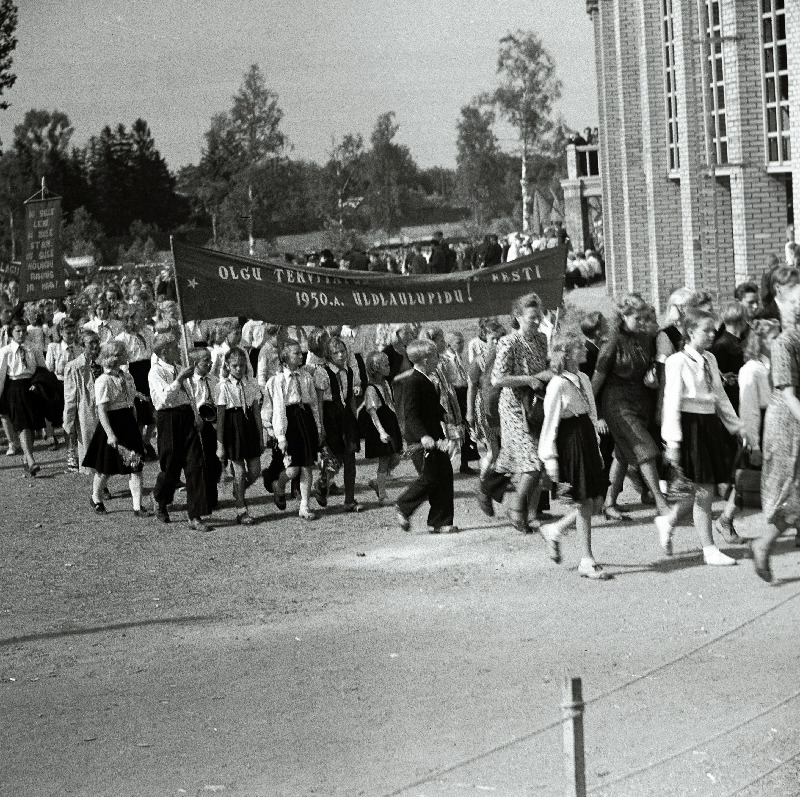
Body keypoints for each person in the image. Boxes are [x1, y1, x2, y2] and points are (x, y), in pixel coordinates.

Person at [661, 308, 747, 565]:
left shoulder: (710, 358)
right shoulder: (677, 361)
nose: (712, 335)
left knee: (701, 489)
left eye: (713, 330)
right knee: (704, 490)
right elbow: (671, 402)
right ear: (690, 331)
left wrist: (737, 427)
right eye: (706, 330)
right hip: (691, 426)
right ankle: (709, 550)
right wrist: (672, 442)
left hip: (710, 425)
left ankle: (668, 520)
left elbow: (720, 396)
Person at [592, 294, 675, 529]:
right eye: (637, 318)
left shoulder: (645, 338)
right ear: (623, 316)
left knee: (622, 453)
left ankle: (609, 503)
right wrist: (594, 412)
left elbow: (654, 366)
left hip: (640, 401)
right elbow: (596, 380)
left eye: (644, 317)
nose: (642, 322)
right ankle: (660, 502)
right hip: (616, 402)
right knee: (645, 449)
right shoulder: (611, 340)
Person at [538, 327, 611, 579]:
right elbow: (550, 423)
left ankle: (555, 529)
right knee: (584, 502)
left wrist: (597, 447)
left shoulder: (584, 378)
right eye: (579, 347)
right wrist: (550, 460)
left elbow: (591, 413)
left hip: (587, 438)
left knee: (597, 501)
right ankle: (587, 560)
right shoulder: (558, 384)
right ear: (567, 353)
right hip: (571, 441)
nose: (584, 349)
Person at [751, 276, 800, 582]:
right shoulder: (784, 343)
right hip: (787, 424)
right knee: (791, 493)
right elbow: (789, 395)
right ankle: (763, 543)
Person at [715, 319, 780, 544]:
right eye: (773, 338)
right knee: (747, 479)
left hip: (775, 425)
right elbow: (749, 410)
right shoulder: (751, 370)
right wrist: (754, 445)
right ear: (760, 341)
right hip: (760, 429)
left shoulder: (773, 365)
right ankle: (726, 519)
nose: (778, 342)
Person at [490, 292, 550, 533]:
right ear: (518, 316)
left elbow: (545, 367)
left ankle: (532, 514)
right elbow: (498, 379)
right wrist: (529, 379)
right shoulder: (509, 342)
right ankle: (516, 508)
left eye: (539, 317)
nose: (536, 321)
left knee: (540, 459)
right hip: (514, 407)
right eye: (531, 317)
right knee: (531, 463)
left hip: (536, 406)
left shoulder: (541, 339)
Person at [149, 332, 212, 531]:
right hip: (168, 418)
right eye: (174, 347)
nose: (178, 350)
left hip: (186, 416)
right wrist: (179, 378)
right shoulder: (156, 372)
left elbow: (189, 394)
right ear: (164, 351)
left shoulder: (179, 367)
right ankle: (160, 497)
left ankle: (195, 514)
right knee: (170, 466)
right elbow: (164, 398)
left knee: (195, 464)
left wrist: (196, 415)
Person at [395, 339, 457, 534]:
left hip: (435, 436)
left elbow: (430, 405)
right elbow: (411, 414)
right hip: (421, 441)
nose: (439, 360)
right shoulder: (413, 382)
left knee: (444, 475)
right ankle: (403, 505)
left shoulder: (427, 379)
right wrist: (422, 436)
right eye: (436, 357)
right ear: (426, 360)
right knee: (430, 478)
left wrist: (443, 414)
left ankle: (440, 521)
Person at [81, 340, 147, 516]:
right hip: (112, 423)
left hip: (128, 422)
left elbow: (129, 396)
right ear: (114, 357)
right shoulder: (103, 380)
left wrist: (138, 397)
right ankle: (96, 498)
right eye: (123, 353)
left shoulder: (127, 376)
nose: (127, 355)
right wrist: (110, 434)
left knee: (136, 465)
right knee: (105, 468)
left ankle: (137, 506)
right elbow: (102, 410)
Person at [262, 339, 322, 521]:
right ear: (285, 357)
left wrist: (318, 427)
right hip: (288, 422)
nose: (301, 355)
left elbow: (313, 403)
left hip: (305, 420)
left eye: (300, 352)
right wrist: (278, 435)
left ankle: (305, 505)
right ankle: (279, 486)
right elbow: (275, 409)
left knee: (307, 465)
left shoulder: (306, 377)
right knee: (293, 469)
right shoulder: (277, 381)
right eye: (296, 353)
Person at [314, 335, 362, 512]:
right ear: (329, 355)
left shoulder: (349, 371)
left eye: (343, 351)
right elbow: (319, 402)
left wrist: (354, 419)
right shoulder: (323, 373)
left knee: (350, 458)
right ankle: (322, 484)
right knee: (334, 460)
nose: (341, 355)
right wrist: (320, 426)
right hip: (330, 417)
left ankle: (350, 500)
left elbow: (350, 398)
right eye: (336, 353)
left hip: (346, 418)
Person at [216, 347, 263, 526]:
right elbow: (221, 418)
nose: (238, 369)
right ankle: (241, 509)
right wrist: (220, 444)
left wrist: (261, 437)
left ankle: (239, 490)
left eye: (242, 365)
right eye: (235, 365)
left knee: (255, 471)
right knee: (240, 471)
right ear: (227, 366)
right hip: (233, 428)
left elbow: (256, 412)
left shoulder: (252, 383)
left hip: (249, 425)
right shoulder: (223, 386)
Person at [0, 318, 47, 476]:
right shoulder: (5, 351)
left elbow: (42, 369)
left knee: (32, 426)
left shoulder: (33, 348)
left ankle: (27, 459)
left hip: (32, 387)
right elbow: (0, 377)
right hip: (15, 388)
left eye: (23, 331)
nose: (21, 334)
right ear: (11, 333)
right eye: (17, 331)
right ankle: (31, 459)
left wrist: (39, 384)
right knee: (23, 424)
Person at [359, 350, 403, 506]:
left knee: (396, 457)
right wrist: (381, 431)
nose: (389, 367)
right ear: (376, 368)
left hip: (391, 424)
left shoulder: (386, 383)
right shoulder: (371, 389)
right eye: (385, 365)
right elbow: (372, 412)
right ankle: (382, 496)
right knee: (384, 460)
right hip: (381, 426)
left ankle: (376, 481)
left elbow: (391, 404)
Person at [116, 306, 156, 458]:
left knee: (153, 412)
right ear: (130, 319)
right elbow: (123, 362)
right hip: (134, 374)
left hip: (148, 371)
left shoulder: (147, 332)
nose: (143, 320)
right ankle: (138, 445)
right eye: (139, 317)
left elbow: (153, 352)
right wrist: (127, 380)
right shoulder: (122, 339)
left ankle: (146, 441)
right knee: (139, 414)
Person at [187, 347, 221, 514]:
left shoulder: (214, 380)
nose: (210, 363)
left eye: (210, 360)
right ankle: (206, 497)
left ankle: (213, 494)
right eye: (205, 361)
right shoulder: (190, 383)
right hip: (199, 423)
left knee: (215, 460)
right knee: (203, 461)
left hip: (213, 422)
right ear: (195, 363)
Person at [62, 331, 101, 474]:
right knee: (90, 447)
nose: (95, 345)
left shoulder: (104, 362)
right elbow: (70, 397)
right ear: (82, 345)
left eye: (97, 341)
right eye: (91, 343)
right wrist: (68, 422)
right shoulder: (74, 367)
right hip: (87, 409)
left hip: (105, 408)